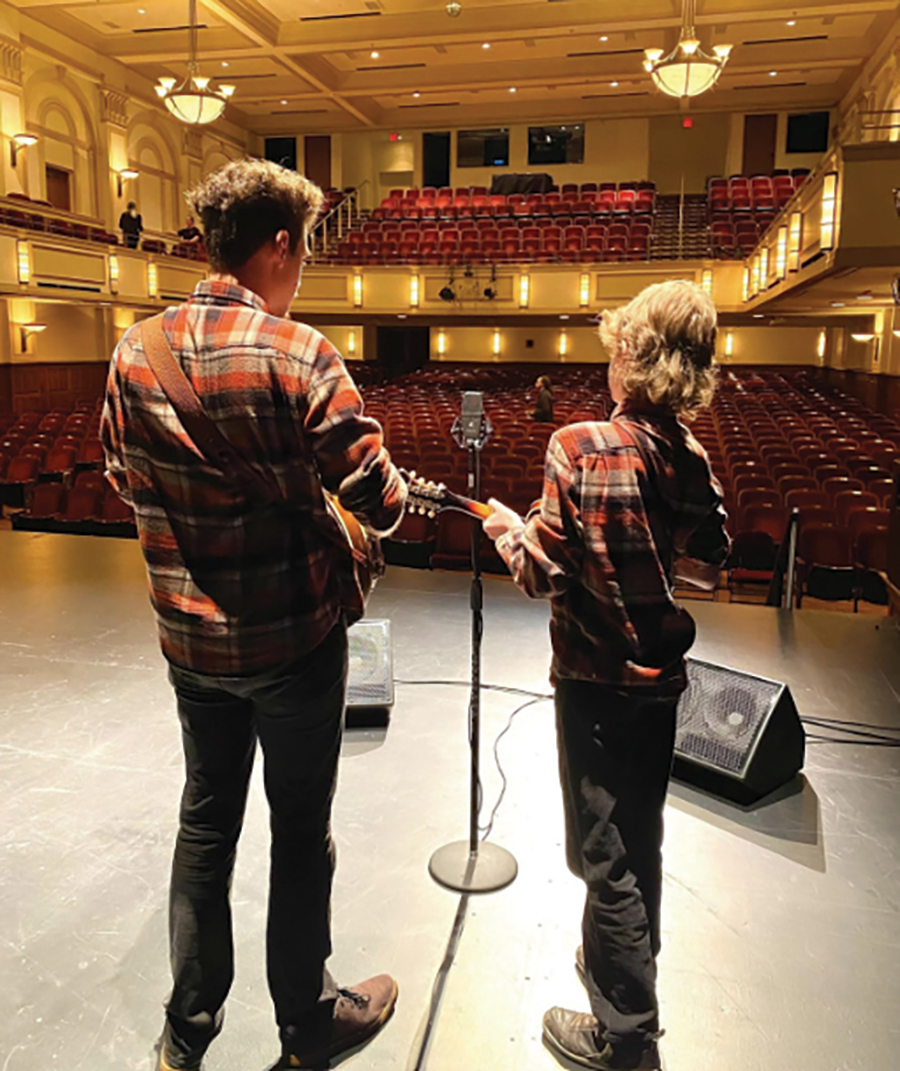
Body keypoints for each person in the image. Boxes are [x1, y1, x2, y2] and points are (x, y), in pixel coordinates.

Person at [101, 159, 407, 1071]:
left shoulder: (133, 351)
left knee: (205, 824)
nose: (303, 268)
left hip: (190, 643)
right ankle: (309, 1025)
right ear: (279, 245)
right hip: (293, 641)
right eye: (304, 249)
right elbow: (382, 502)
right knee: (298, 830)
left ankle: (184, 1035)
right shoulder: (301, 352)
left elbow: (122, 477)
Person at [483, 280, 730, 1071]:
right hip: (661, 686)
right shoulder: (688, 452)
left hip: (594, 681)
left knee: (605, 858)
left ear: (633, 354)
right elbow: (712, 555)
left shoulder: (580, 443)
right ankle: (620, 968)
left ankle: (627, 1036)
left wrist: (507, 531)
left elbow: (543, 573)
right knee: (638, 837)